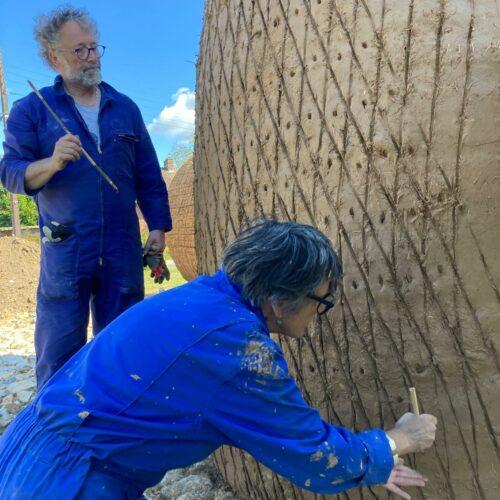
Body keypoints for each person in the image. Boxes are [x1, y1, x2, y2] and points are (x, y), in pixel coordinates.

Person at [0, 219, 437, 499]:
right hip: (69, 482)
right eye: (321, 302)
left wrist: (371, 460)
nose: (319, 314)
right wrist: (396, 441)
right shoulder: (234, 347)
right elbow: (311, 454)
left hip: (30, 451)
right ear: (279, 299)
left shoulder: (199, 299)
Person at [0, 6, 172, 388]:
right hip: (67, 246)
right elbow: (10, 173)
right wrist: (51, 163)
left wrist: (158, 226)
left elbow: (148, 174)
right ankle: (57, 419)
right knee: (59, 352)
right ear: (53, 58)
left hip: (122, 246)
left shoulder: (125, 109)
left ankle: (117, 416)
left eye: (94, 47)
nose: (91, 57)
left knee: (123, 347)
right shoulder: (32, 111)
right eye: (79, 50)